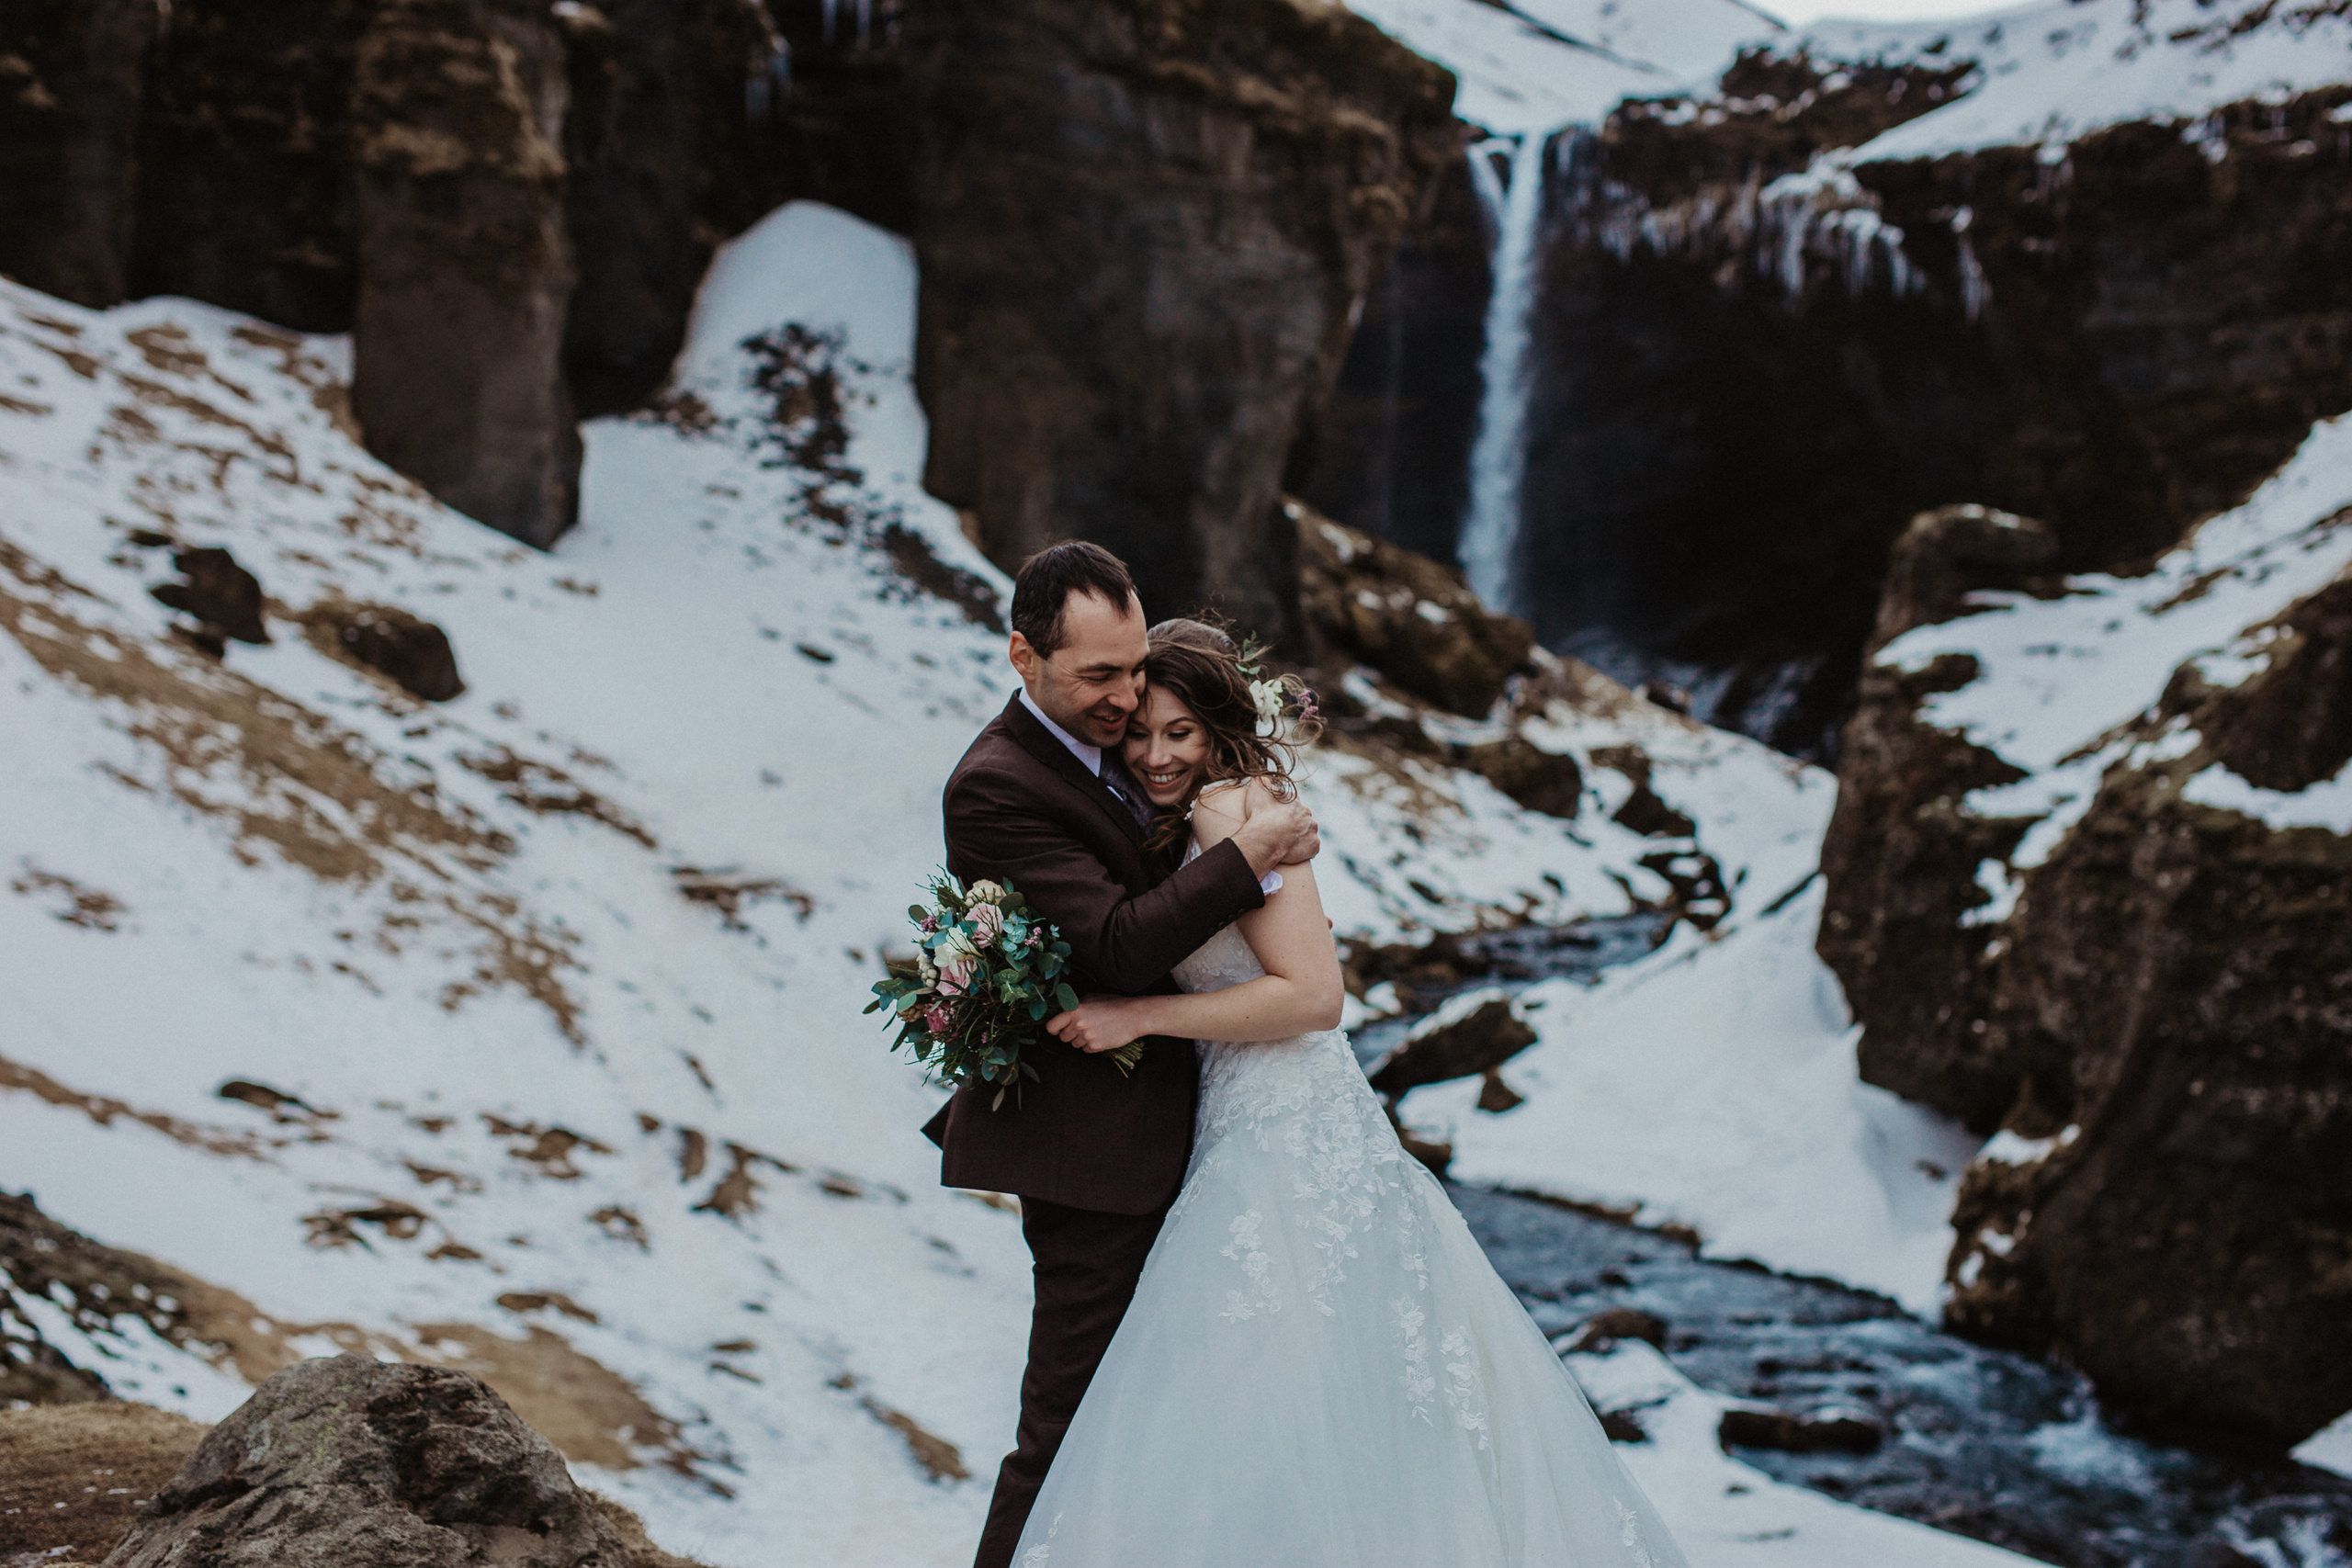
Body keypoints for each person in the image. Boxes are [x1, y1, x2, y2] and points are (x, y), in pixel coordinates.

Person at [1010, 619, 1690, 1567]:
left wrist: (1138, 1018)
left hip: (1285, 1124)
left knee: (1279, 1391)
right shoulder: (1217, 813)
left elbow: (1315, 998)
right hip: (1245, 1113)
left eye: (1180, 734)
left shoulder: (1231, 816)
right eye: (1140, 733)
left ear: (1217, 731)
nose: (1156, 755)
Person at [925, 543, 1323, 1568]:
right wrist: (1250, 855)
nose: (1125, 697)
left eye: (1136, 664)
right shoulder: (995, 786)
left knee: (1174, 1428)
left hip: (1201, 1135)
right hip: (1093, 1157)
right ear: (1024, 656)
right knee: (1066, 1433)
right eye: (1097, 676)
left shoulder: (1136, 750)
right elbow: (1110, 946)